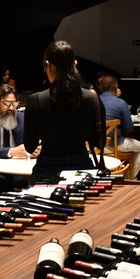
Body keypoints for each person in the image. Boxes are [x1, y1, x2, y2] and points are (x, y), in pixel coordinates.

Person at [23, 40, 103, 182]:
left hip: (47, 170)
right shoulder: (92, 98)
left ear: (48, 65)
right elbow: (100, 142)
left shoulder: (36, 100)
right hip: (82, 167)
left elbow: (30, 147)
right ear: (75, 64)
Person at [99, 74, 140, 179]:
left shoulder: (94, 100)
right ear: (116, 86)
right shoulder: (120, 103)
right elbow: (129, 128)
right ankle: (130, 178)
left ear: (101, 87)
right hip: (115, 145)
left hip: (96, 146)